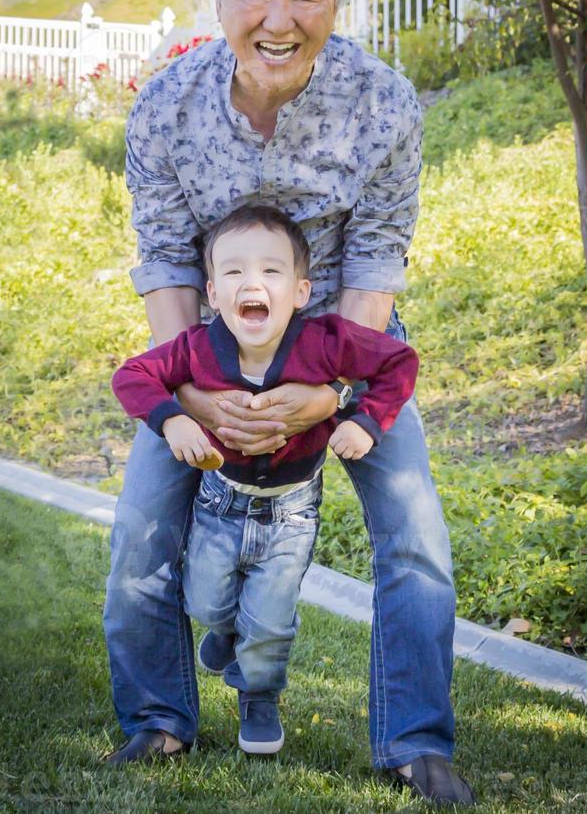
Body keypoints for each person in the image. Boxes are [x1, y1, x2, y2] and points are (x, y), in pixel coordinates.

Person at [103, 0, 475, 806]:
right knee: (142, 532)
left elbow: (380, 251)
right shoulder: (164, 109)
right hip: (206, 352)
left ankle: (414, 743)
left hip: (349, 345)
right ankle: (157, 723)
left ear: (336, 5)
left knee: (415, 538)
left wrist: (336, 395)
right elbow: (162, 256)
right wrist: (190, 397)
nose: (279, 20)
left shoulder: (383, 102)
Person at [111, 205, 419, 755]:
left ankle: (258, 695)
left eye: (271, 272)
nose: (252, 282)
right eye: (233, 272)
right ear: (211, 291)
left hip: (291, 510)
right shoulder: (197, 349)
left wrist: (365, 420)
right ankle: (225, 633)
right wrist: (175, 417)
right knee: (204, 603)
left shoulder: (326, 342)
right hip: (219, 500)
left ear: (302, 290)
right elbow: (131, 374)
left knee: (271, 624)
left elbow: (399, 361)